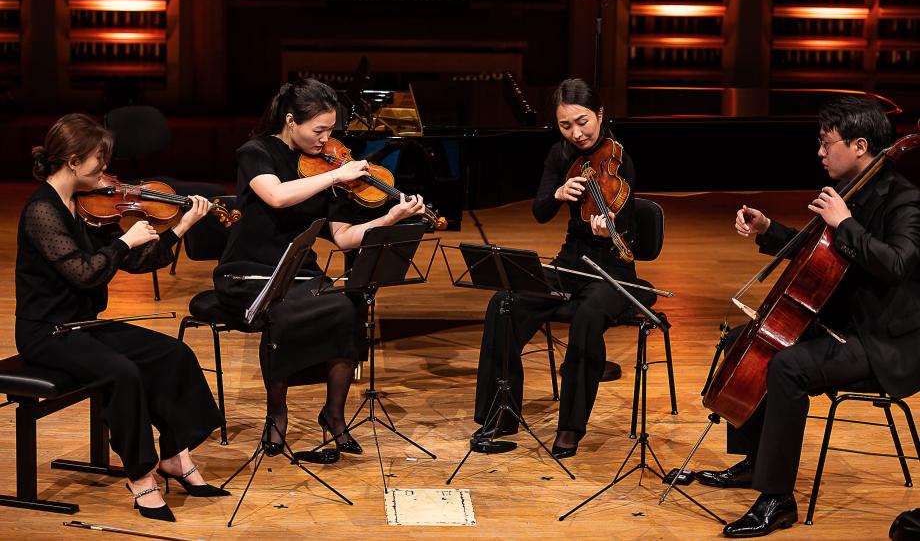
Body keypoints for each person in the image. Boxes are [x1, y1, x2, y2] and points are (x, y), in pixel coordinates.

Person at [695, 95, 920, 537]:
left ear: (859, 145)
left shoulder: (905, 199)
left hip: (884, 342)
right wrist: (768, 229)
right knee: (745, 339)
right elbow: (818, 255)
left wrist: (846, 223)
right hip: (842, 325)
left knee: (787, 366)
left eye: (826, 143)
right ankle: (755, 462)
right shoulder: (850, 191)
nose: (819, 152)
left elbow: (898, 264)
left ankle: (776, 499)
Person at [16, 114, 228, 523]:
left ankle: (175, 456)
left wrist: (181, 225)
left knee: (172, 354)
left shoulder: (84, 205)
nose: (108, 170)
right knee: (122, 373)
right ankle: (141, 476)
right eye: (100, 159)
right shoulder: (41, 210)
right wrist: (125, 241)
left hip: (83, 326)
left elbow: (134, 259)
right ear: (74, 161)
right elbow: (84, 271)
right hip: (47, 332)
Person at [214, 78, 425, 462]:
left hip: (301, 272)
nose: (327, 140)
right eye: (319, 130)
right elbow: (276, 196)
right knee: (281, 314)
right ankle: (277, 414)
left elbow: (344, 238)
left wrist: (390, 218)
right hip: (250, 272)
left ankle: (334, 414)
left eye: (331, 130)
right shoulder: (256, 152)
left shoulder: (329, 167)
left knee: (348, 310)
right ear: (291, 121)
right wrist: (333, 177)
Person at [471, 78, 653, 458]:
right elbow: (540, 212)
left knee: (588, 317)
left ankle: (570, 427)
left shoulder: (621, 159)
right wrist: (556, 193)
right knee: (505, 303)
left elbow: (628, 222)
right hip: (571, 263)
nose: (577, 132)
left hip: (614, 268)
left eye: (583, 122)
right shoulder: (559, 155)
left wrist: (610, 226)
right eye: (565, 125)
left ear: (600, 114)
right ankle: (500, 413)